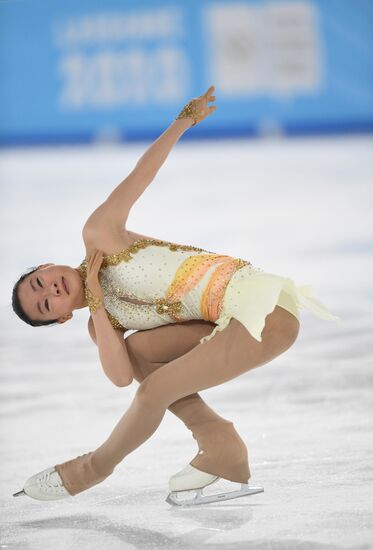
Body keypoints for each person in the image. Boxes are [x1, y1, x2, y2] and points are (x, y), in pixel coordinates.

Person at [12, 86, 339, 505]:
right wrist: (95, 298)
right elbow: (119, 375)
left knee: (153, 393)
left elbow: (140, 176)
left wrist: (182, 121)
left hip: (263, 307)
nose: (51, 290)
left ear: (46, 266)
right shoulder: (102, 325)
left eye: (40, 281)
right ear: (60, 319)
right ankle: (219, 440)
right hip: (231, 323)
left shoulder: (99, 235)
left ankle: (93, 468)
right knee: (139, 356)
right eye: (45, 304)